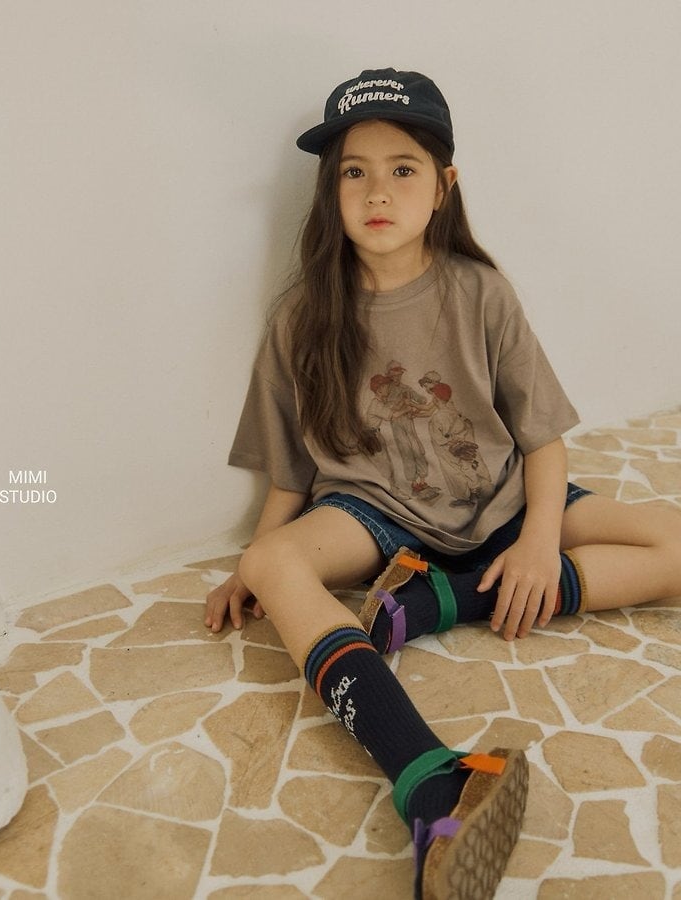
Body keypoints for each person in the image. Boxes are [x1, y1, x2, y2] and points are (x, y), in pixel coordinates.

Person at [205, 68, 681, 899]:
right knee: (271, 563)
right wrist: (257, 562)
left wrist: (538, 543)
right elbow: (291, 470)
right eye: (354, 172)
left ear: (443, 186)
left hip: (500, 499)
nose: (377, 191)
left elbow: (542, 441)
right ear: (329, 191)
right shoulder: (301, 318)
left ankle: (438, 601)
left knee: (674, 542)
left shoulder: (480, 292)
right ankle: (430, 780)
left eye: (403, 169)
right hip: (375, 513)